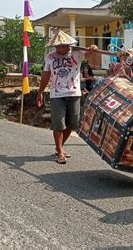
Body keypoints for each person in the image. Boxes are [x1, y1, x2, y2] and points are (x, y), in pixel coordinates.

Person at [37, 30, 97, 164]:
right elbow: (46, 75)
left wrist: (94, 48)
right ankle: (60, 152)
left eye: (63, 45)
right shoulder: (50, 57)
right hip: (57, 94)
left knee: (72, 124)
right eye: (58, 46)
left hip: (74, 93)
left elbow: (91, 54)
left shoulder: (77, 53)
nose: (60, 48)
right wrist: (40, 92)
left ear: (68, 45)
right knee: (58, 124)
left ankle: (60, 147)